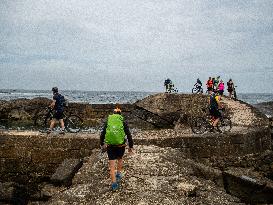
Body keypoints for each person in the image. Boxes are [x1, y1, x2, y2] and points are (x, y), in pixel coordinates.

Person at [100, 105, 134, 191]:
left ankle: (114, 184)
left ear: (113, 114)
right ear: (120, 114)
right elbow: (129, 135)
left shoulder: (109, 121)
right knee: (120, 159)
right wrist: (131, 146)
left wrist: (101, 144)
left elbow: (102, 134)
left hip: (110, 146)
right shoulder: (122, 121)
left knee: (111, 166)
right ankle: (118, 174)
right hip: (121, 146)